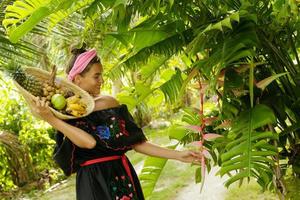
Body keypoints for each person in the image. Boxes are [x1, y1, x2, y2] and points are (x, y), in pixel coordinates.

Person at [28, 46, 201, 200]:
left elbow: (137, 143)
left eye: (101, 75)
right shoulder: (63, 112)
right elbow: (88, 142)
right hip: (91, 181)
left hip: (120, 175)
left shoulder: (108, 103)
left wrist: (178, 155)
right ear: (78, 79)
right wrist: (51, 118)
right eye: (96, 76)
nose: (102, 80)